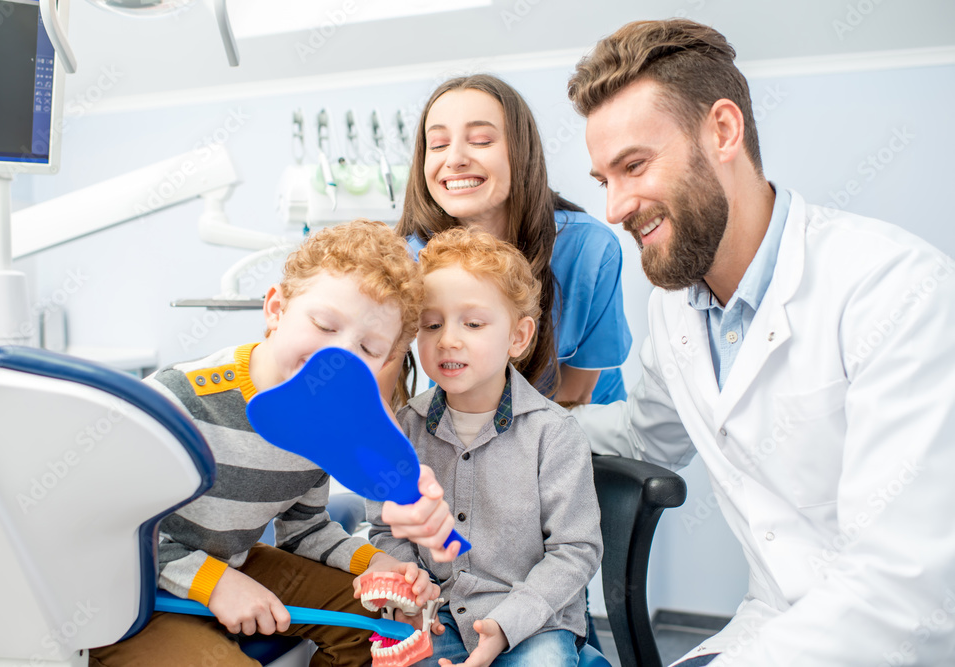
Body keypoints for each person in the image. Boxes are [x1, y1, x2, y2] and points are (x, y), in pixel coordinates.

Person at [563, 18, 955, 666]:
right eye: (604, 179)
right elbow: (641, 435)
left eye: (633, 166)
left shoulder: (895, 289)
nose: (614, 206)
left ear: (723, 130)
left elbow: (901, 591)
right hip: (769, 628)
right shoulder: (675, 312)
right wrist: (499, 421)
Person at [89, 219, 439, 666]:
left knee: (376, 624)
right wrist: (213, 583)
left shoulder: (326, 426)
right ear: (276, 309)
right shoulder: (178, 401)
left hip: (232, 565)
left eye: (369, 349)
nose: (341, 358)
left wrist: (374, 565)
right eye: (324, 325)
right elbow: (107, 529)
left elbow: (306, 528)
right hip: (132, 594)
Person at [367, 227, 603, 667]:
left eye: (473, 324)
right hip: (435, 619)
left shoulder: (554, 433)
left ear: (518, 336)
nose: (448, 339)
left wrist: (504, 625)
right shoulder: (404, 428)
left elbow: (576, 551)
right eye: (431, 324)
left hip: (533, 622)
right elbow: (385, 531)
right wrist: (410, 586)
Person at [388, 73, 632, 408]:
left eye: (481, 140)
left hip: (577, 426)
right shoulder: (411, 258)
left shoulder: (589, 248)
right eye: (439, 145)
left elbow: (577, 391)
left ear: (522, 153)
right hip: (467, 423)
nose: (454, 159)